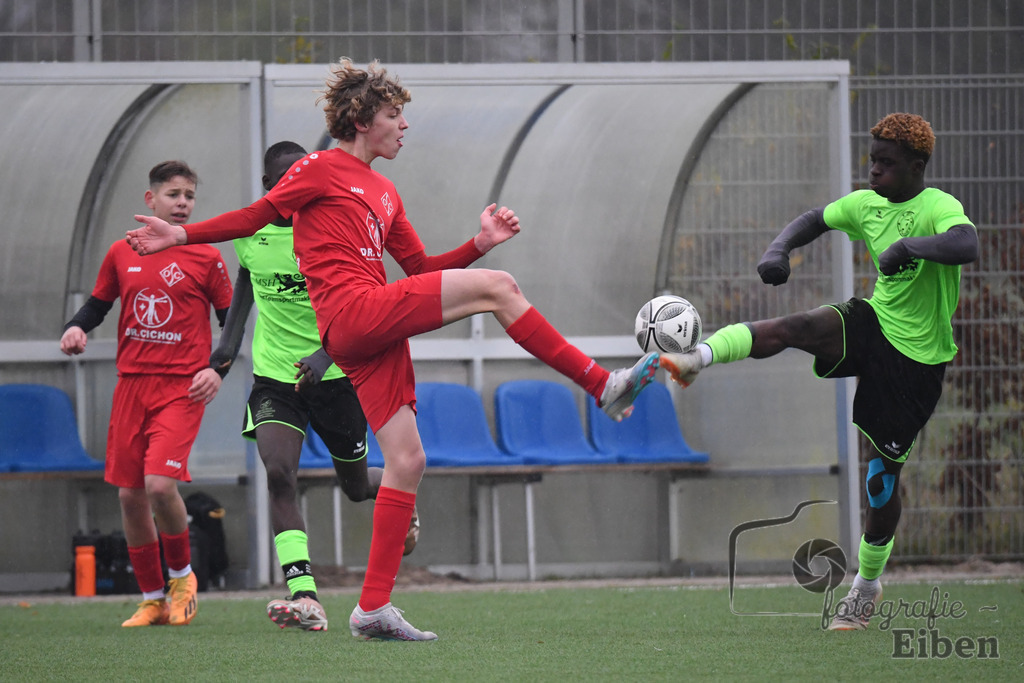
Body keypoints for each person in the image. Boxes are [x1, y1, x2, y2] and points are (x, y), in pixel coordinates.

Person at [125, 57, 660, 642]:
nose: (403, 126)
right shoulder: (319, 167)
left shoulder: (386, 192)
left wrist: (478, 244)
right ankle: (602, 386)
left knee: (407, 462)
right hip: (354, 316)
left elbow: (422, 269)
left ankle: (372, 609)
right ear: (360, 119)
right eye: (393, 115)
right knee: (501, 290)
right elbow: (259, 214)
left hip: (367, 333)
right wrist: (181, 233)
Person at [659, 113, 979, 631]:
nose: (874, 171)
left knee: (880, 480)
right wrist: (777, 249)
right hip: (875, 321)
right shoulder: (865, 204)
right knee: (799, 326)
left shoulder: (939, 206)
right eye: (871, 160)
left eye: (887, 163)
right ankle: (697, 358)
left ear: (917, 165)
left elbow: (967, 245)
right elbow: (815, 218)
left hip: (918, 362)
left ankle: (867, 584)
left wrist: (908, 247)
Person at [209, 140, 418, 633]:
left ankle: (402, 492)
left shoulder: (334, 227)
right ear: (269, 186)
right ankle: (304, 595)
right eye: (287, 178)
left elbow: (368, 300)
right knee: (279, 473)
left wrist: (328, 354)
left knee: (352, 485)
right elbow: (247, 281)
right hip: (276, 377)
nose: (298, 184)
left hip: (339, 374)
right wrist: (227, 345)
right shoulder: (251, 231)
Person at [61, 160, 234, 627]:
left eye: (189, 196)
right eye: (174, 194)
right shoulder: (123, 250)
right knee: (130, 497)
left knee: (160, 485)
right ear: (150, 199)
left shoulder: (206, 255)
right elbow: (99, 303)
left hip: (181, 388)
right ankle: (152, 597)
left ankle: (182, 578)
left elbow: (231, 322)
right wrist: (76, 328)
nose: (182, 203)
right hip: (131, 386)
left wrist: (218, 370)